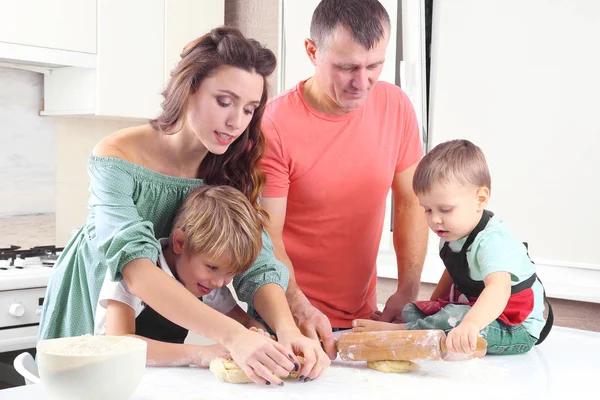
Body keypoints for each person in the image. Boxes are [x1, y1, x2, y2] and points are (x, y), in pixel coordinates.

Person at [39, 26, 330, 386]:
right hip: (99, 296)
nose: (236, 122)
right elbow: (137, 271)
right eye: (224, 101)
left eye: (249, 109)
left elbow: (259, 263)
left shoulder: (230, 166)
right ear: (188, 88)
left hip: (165, 321)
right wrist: (231, 336)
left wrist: (286, 329)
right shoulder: (116, 156)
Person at [259, 0, 429, 358]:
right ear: (311, 51)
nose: (361, 82)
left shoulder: (396, 106)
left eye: (374, 66)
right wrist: (298, 309)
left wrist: (407, 287)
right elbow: (267, 235)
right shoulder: (273, 126)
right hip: (288, 320)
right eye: (346, 67)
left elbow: (411, 202)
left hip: (364, 316)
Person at [353, 139, 553, 356]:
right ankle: (422, 327)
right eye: (428, 210)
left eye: (445, 209)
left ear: (480, 199)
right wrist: (429, 308)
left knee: (455, 319)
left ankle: (399, 332)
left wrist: (471, 324)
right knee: (412, 309)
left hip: (515, 326)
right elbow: (453, 272)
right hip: (476, 313)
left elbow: (499, 289)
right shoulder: (451, 233)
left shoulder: (493, 242)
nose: (435, 220)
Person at [94, 185, 276, 367]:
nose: (219, 282)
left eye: (231, 273)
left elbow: (244, 322)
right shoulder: (132, 272)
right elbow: (119, 344)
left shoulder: (207, 285)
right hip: (113, 374)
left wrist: (258, 335)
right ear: (180, 242)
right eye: (212, 267)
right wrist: (199, 354)